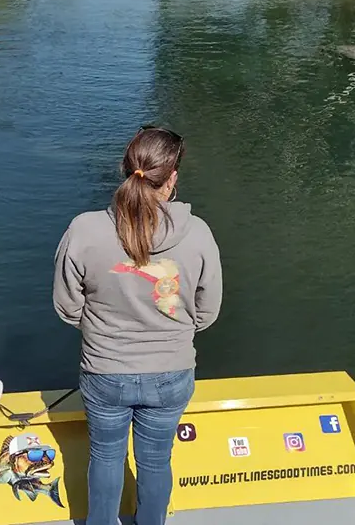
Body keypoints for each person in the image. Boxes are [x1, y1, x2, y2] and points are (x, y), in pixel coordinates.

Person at [52, 125, 223, 525]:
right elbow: (208, 310)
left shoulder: (85, 229)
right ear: (173, 178)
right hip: (172, 372)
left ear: (125, 169)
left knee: (106, 457)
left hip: (105, 371)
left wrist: (102, 328)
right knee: (157, 460)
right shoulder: (198, 234)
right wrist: (173, 330)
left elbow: (66, 306)